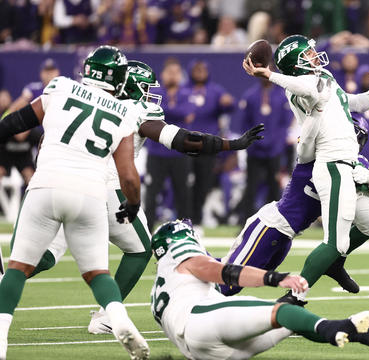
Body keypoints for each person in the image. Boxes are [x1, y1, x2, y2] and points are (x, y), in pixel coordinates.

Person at [23, 59, 265, 334]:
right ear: (132, 85)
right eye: (146, 87)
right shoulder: (135, 109)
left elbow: (41, 136)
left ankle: (7, 280)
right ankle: (106, 315)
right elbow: (183, 140)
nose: (151, 93)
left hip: (64, 182)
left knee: (48, 253)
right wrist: (231, 144)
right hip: (105, 189)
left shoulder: (86, 97)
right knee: (139, 248)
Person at [0, 45, 149, 359]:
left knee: (16, 268)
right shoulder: (125, 112)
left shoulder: (61, 87)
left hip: (45, 186)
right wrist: (132, 205)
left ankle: (0, 339)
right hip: (90, 194)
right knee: (98, 274)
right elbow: (129, 176)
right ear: (120, 79)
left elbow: (17, 123)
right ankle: (119, 321)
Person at [242, 34, 369, 305]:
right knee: (335, 241)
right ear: (295, 64)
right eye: (307, 54)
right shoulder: (299, 86)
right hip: (332, 165)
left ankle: (333, 264)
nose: (313, 55)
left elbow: (354, 104)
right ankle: (293, 297)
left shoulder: (324, 78)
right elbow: (308, 90)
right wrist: (269, 74)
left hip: (347, 162)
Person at [150, 219, 369, 359]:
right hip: (201, 321)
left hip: (199, 351)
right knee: (278, 311)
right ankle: (339, 327)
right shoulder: (180, 253)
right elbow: (223, 273)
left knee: (291, 318)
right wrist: (275, 278)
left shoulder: (161, 286)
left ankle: (364, 335)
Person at [220, 114, 369, 297]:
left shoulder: (358, 163)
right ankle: (186, 252)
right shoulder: (313, 151)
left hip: (286, 238)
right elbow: (307, 134)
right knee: (228, 285)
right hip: (271, 225)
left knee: (239, 278)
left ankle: (336, 262)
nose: (354, 142)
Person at [235, 73, 292, 223]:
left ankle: (273, 222)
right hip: (255, 150)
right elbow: (245, 123)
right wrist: (253, 142)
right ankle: (245, 222)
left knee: (274, 186)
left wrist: (275, 144)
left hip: (274, 150)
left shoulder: (281, 96)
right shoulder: (251, 95)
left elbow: (284, 125)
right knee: (251, 186)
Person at [144, 58, 193, 229]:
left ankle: (184, 229)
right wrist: (173, 111)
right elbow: (152, 113)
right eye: (169, 73)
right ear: (163, 74)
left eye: (176, 73)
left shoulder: (187, 93)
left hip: (179, 152)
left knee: (183, 194)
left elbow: (187, 113)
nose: (173, 76)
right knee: (152, 193)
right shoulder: (154, 92)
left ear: (181, 75)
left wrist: (166, 109)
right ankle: (147, 228)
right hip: (157, 152)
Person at [185, 60, 235, 228]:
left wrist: (228, 102)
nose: (200, 73)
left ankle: (196, 220)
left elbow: (230, 106)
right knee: (182, 183)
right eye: (197, 69)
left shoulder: (215, 90)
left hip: (206, 146)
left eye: (202, 69)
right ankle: (182, 217)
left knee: (203, 183)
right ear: (191, 71)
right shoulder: (184, 90)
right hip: (185, 144)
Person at [1, 59, 60, 189]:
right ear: (41, 73)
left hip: (50, 138)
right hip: (32, 135)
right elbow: (16, 107)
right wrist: (5, 123)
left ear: (57, 72)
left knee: (39, 175)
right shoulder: (33, 89)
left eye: (52, 71)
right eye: (46, 71)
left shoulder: (63, 90)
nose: (49, 74)